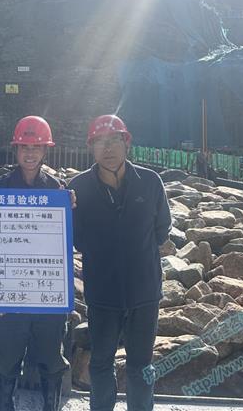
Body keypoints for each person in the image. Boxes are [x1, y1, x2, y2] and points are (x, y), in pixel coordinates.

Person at [68, 115, 171, 411]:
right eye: (99, 142)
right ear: (91, 147)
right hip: (102, 293)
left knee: (141, 365)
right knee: (101, 363)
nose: (108, 148)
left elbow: (162, 229)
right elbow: (75, 238)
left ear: (127, 143)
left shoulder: (150, 182)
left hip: (144, 291)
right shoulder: (78, 188)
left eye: (114, 140)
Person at [0, 116, 70, 411]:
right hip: (10, 291)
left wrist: (71, 207)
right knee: (7, 357)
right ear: (16, 149)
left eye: (36, 147)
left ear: (45, 150)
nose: (30, 153)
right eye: (25, 147)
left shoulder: (57, 190)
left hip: (47, 289)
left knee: (51, 357)